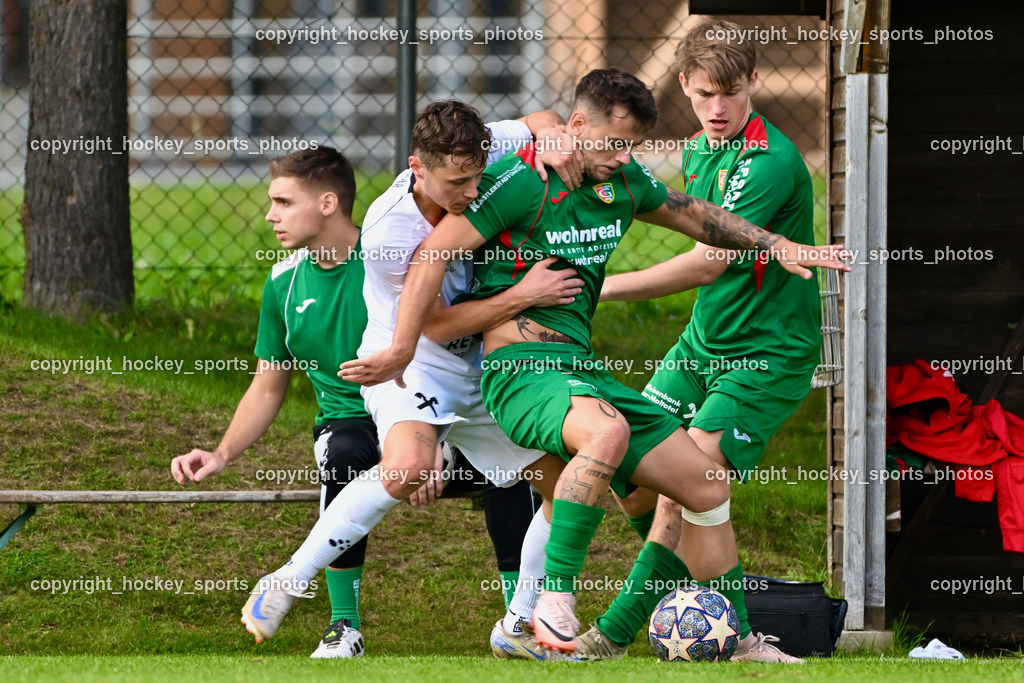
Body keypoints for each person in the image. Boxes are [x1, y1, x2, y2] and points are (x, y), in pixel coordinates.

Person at [342, 67, 848, 654]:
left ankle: (739, 639)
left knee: (707, 489)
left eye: (633, 146)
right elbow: (432, 256)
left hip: (579, 369)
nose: (622, 156)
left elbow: (693, 215)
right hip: (520, 373)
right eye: (613, 142)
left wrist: (776, 244)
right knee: (606, 433)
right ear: (577, 124)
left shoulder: (623, 182)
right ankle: (553, 600)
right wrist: (402, 346)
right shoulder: (521, 181)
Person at [169, 142, 564, 658]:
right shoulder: (283, 283)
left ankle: (519, 621)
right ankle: (342, 626)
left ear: (327, 204)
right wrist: (221, 454)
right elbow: (268, 384)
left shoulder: (391, 255)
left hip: (434, 413)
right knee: (348, 450)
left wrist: (436, 442)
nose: (270, 216)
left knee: (542, 470)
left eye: (283, 202)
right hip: (361, 426)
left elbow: (445, 344)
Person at [570, 20, 823, 663]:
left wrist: (597, 288)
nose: (717, 108)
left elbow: (709, 262)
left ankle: (623, 631)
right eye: (705, 93)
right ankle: (693, 611)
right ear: (684, 84)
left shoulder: (770, 160)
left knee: (692, 480)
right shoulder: (697, 149)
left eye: (731, 93)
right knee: (635, 485)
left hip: (765, 356)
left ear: (754, 85)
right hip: (700, 347)